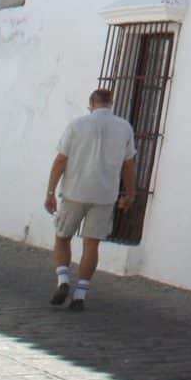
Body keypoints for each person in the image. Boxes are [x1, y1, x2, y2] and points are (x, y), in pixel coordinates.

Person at [44, 88, 140, 311]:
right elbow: (128, 165)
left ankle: (63, 280)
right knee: (91, 244)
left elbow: (61, 160)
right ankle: (80, 295)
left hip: (75, 192)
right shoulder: (124, 127)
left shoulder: (77, 125)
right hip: (105, 195)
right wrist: (130, 194)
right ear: (111, 103)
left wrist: (50, 192)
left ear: (91, 104)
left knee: (62, 237)